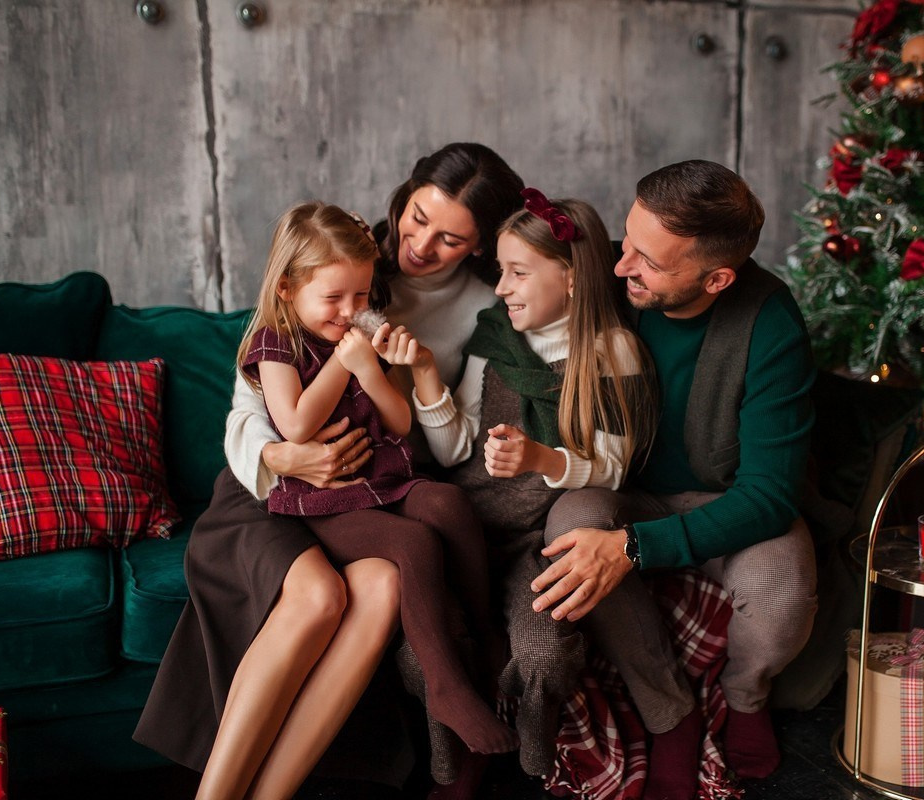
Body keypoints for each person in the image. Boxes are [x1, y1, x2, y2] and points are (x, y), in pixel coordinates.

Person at [134, 143, 525, 800]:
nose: (420, 245)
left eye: (450, 239)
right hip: (273, 487)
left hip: (378, 484)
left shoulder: (488, 308)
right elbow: (255, 408)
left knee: (389, 576)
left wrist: (419, 372)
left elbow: (450, 446)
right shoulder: (337, 254)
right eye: (417, 218)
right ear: (403, 199)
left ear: (480, 245)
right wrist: (278, 457)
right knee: (322, 594)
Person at [532, 160, 819, 784]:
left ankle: (746, 697)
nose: (621, 266)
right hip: (620, 488)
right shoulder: (608, 275)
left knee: (785, 585)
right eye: (628, 241)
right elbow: (514, 267)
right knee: (573, 527)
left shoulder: (770, 323)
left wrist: (634, 548)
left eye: (648, 261)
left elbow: (769, 496)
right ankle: (669, 712)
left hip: (721, 500)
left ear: (717, 279)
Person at [382, 189, 666, 797]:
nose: (502, 287)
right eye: (501, 271)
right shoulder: (495, 335)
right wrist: (425, 373)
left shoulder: (610, 352)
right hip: (464, 524)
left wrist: (542, 459)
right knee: (423, 649)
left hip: (532, 538)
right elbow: (455, 450)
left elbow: (614, 467)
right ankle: (454, 766)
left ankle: (532, 755)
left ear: (571, 278)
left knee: (545, 650)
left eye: (518, 272)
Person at [239, 200, 515, 756]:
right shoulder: (276, 342)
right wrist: (344, 363)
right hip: (326, 500)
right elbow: (295, 426)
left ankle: (484, 631)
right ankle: (445, 685)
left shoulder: (361, 340)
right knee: (412, 542)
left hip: (384, 478)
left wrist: (372, 369)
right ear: (288, 289)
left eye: (361, 296)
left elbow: (400, 423)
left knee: (447, 503)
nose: (349, 311)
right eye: (333, 298)